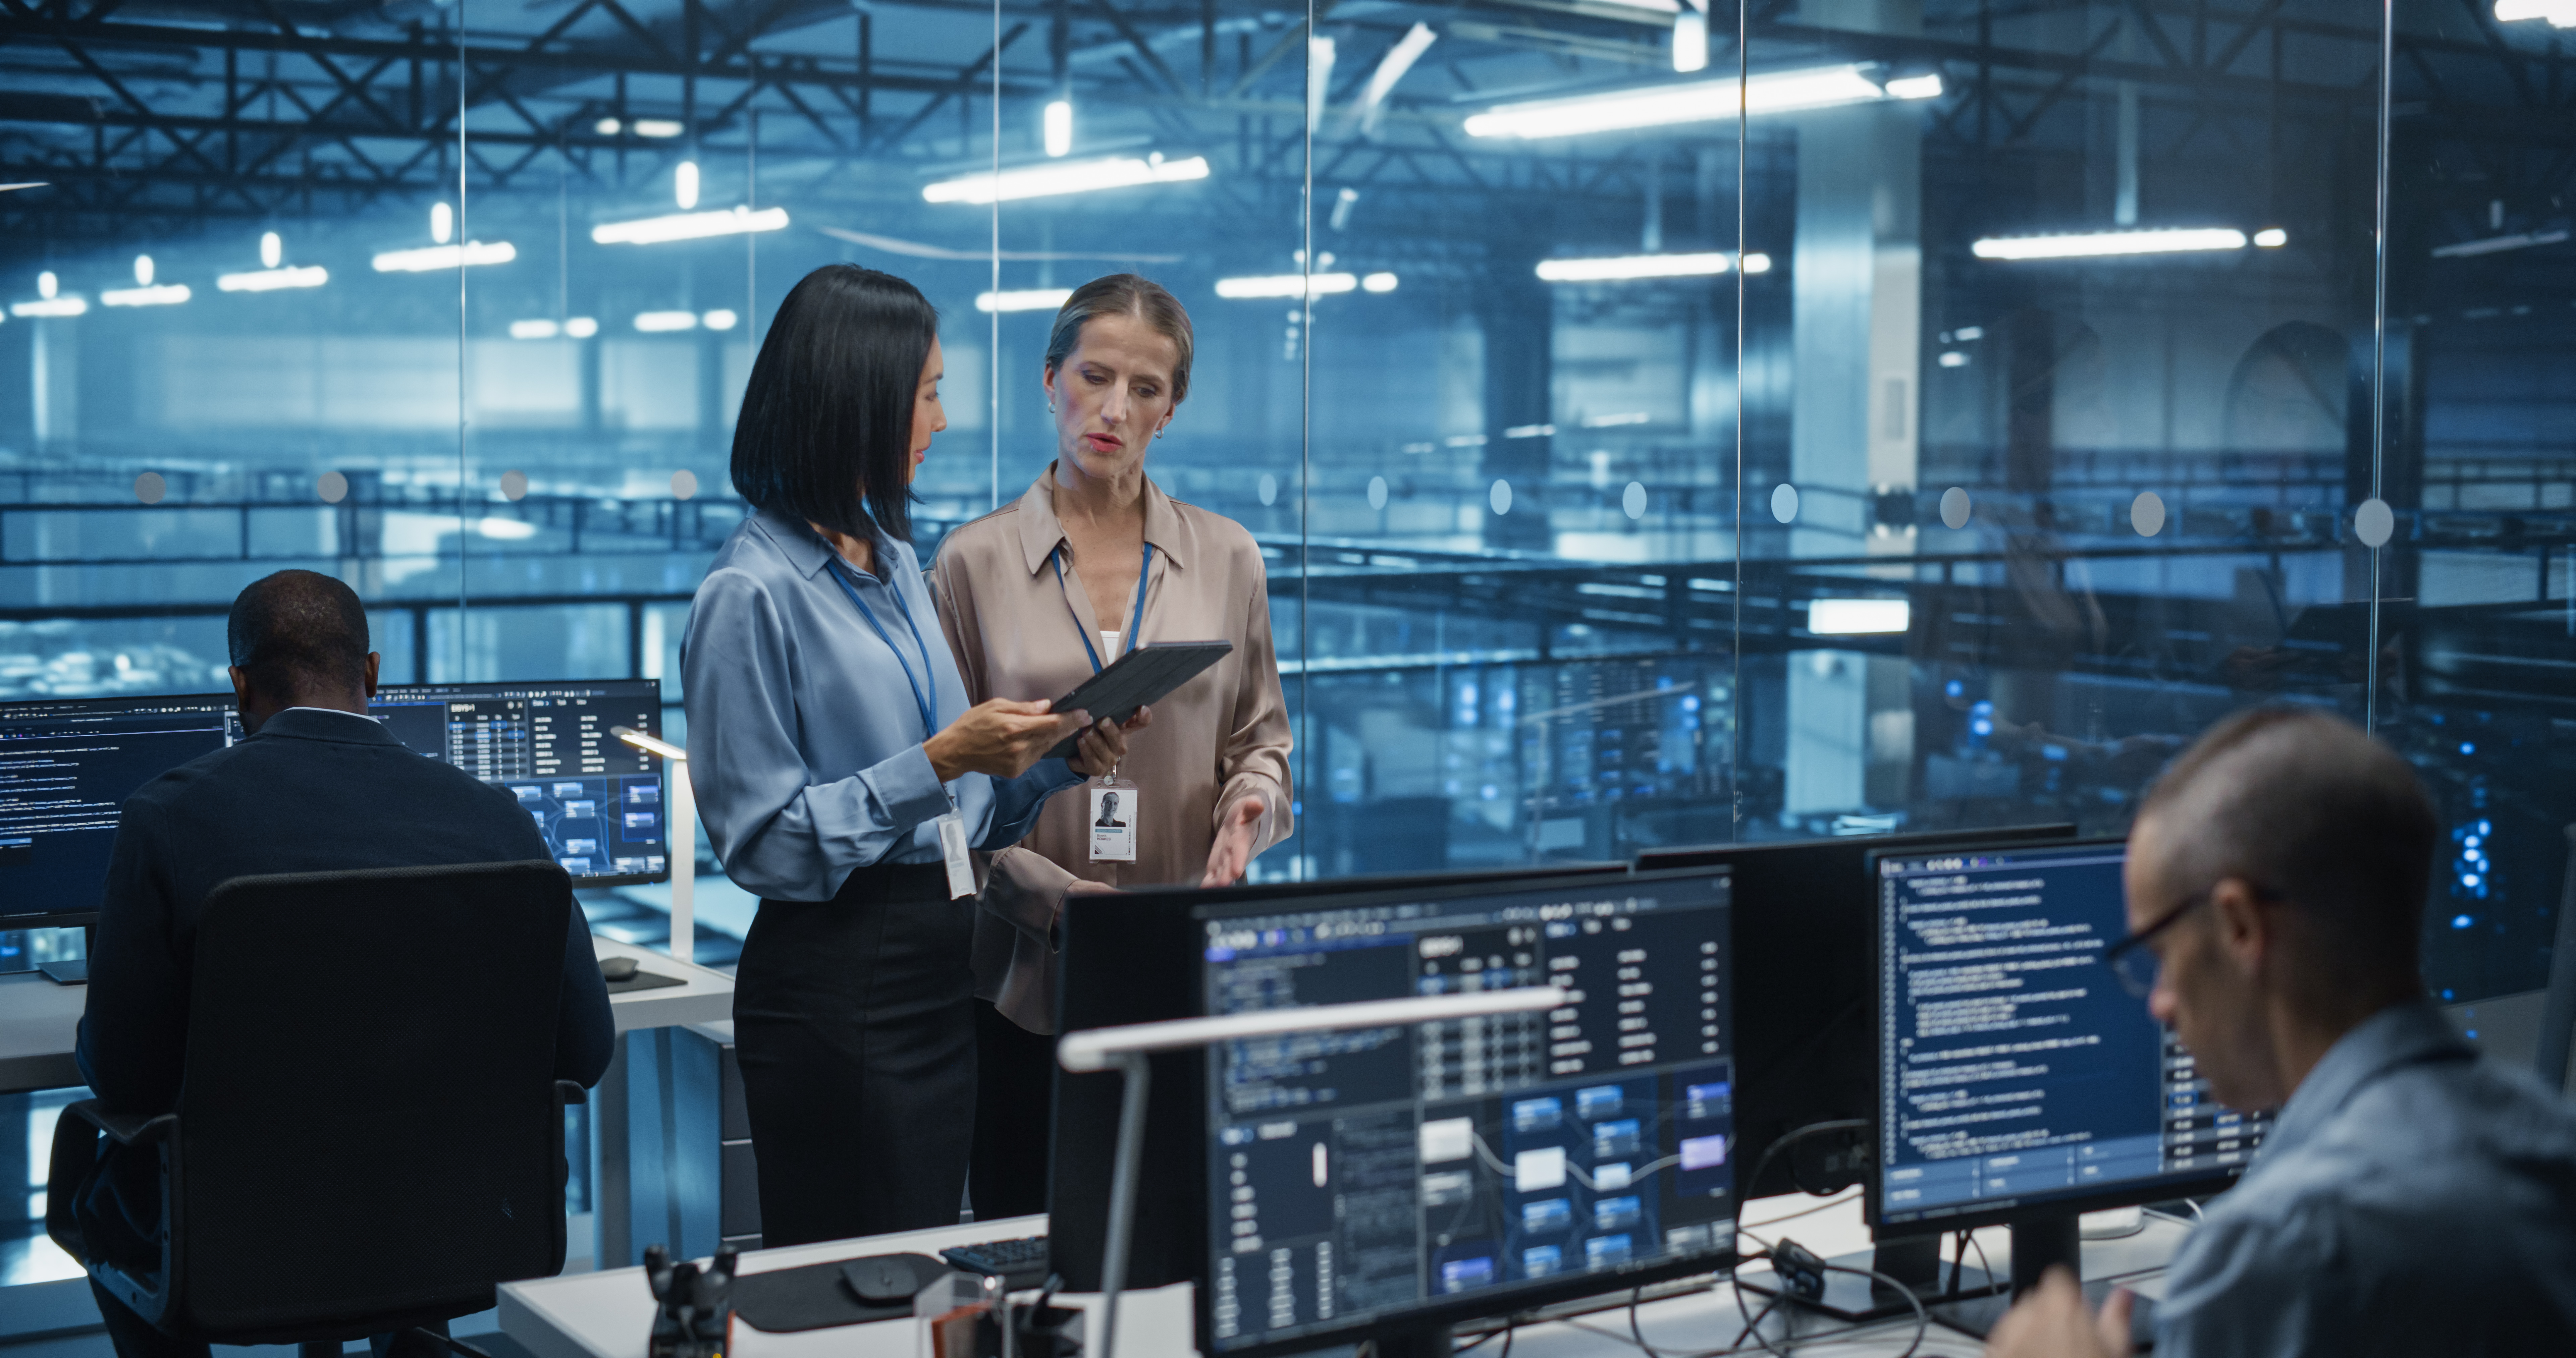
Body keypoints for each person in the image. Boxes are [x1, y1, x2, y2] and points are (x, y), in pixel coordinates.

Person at [682, 265, 1134, 1247]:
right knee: (857, 1288)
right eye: (927, 392)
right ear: (859, 399)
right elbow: (763, 845)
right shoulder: (750, 593)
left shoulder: (891, 565)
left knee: (925, 1266)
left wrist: (1048, 764)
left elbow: (958, 814)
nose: (941, 418)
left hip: (942, 969)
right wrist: (933, 760)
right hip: (837, 985)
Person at [72, 569, 616, 1358]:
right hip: (462, 1226)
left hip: (241, 1239)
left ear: (239, 686)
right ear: (371, 672)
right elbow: (586, 1052)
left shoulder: (165, 817)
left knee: (103, 1191)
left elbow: (123, 1079)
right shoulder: (496, 819)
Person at [1988, 708, 2576, 1358]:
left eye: (2163, 957)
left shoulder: (2280, 1249)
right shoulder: (2549, 1148)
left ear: (2239, 927)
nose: (2158, 1003)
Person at [931, 272, 1293, 1220]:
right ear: (1049, 379)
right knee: (1030, 1252)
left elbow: (1264, 742)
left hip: (1177, 965)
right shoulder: (969, 563)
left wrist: (1249, 810)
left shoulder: (1228, 557)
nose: (1114, 409)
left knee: (1182, 1250)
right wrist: (1051, 897)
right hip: (1019, 982)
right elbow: (942, 790)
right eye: (1094, 377)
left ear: (1172, 409)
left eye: (1145, 390)